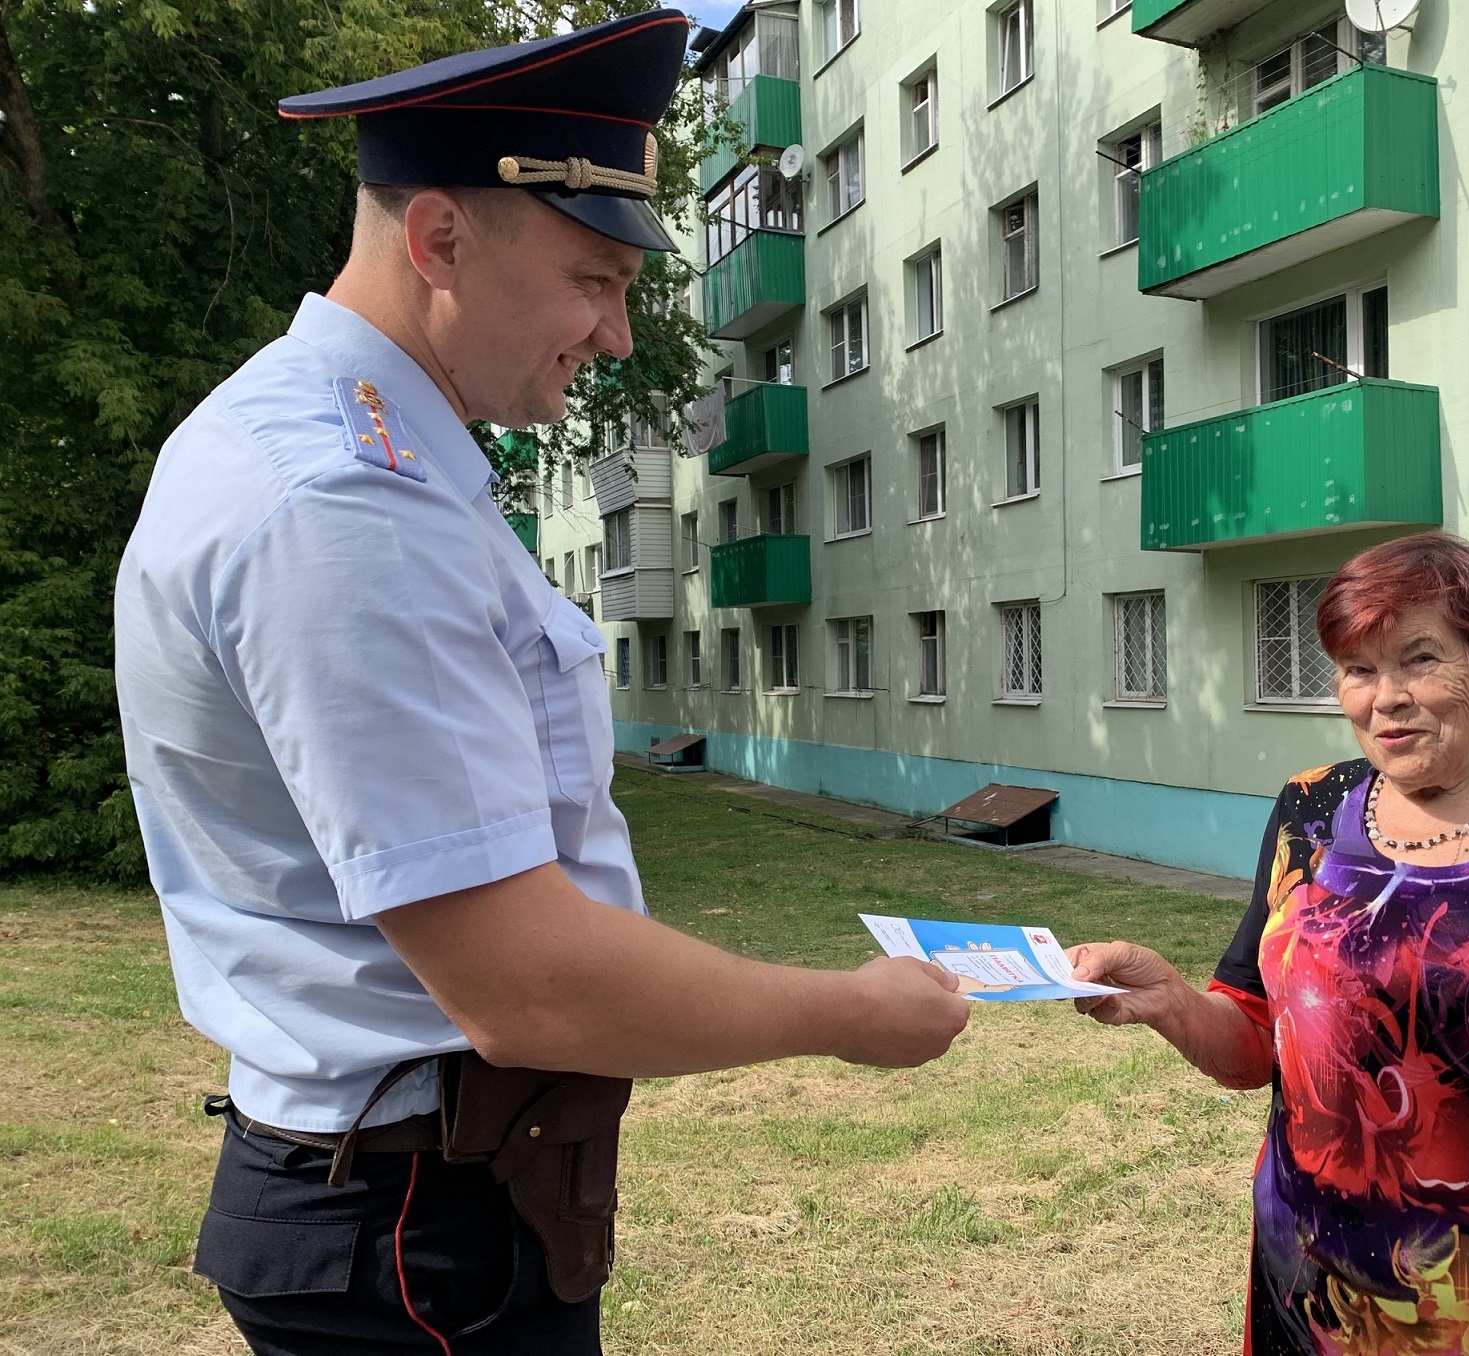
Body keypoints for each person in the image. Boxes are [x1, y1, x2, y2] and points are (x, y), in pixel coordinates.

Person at [113, 12, 969, 1354]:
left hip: (423, 1205)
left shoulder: (356, 459)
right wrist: (847, 1014)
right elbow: (523, 988)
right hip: (416, 1235)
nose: (617, 336)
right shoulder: (343, 503)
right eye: (591, 278)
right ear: (440, 238)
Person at [1069, 533, 1469, 1356]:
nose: (1386, 699)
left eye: (1420, 660)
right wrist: (1167, 998)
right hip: (1310, 1310)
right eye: (1358, 669)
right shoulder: (1311, 813)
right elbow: (1257, 1050)